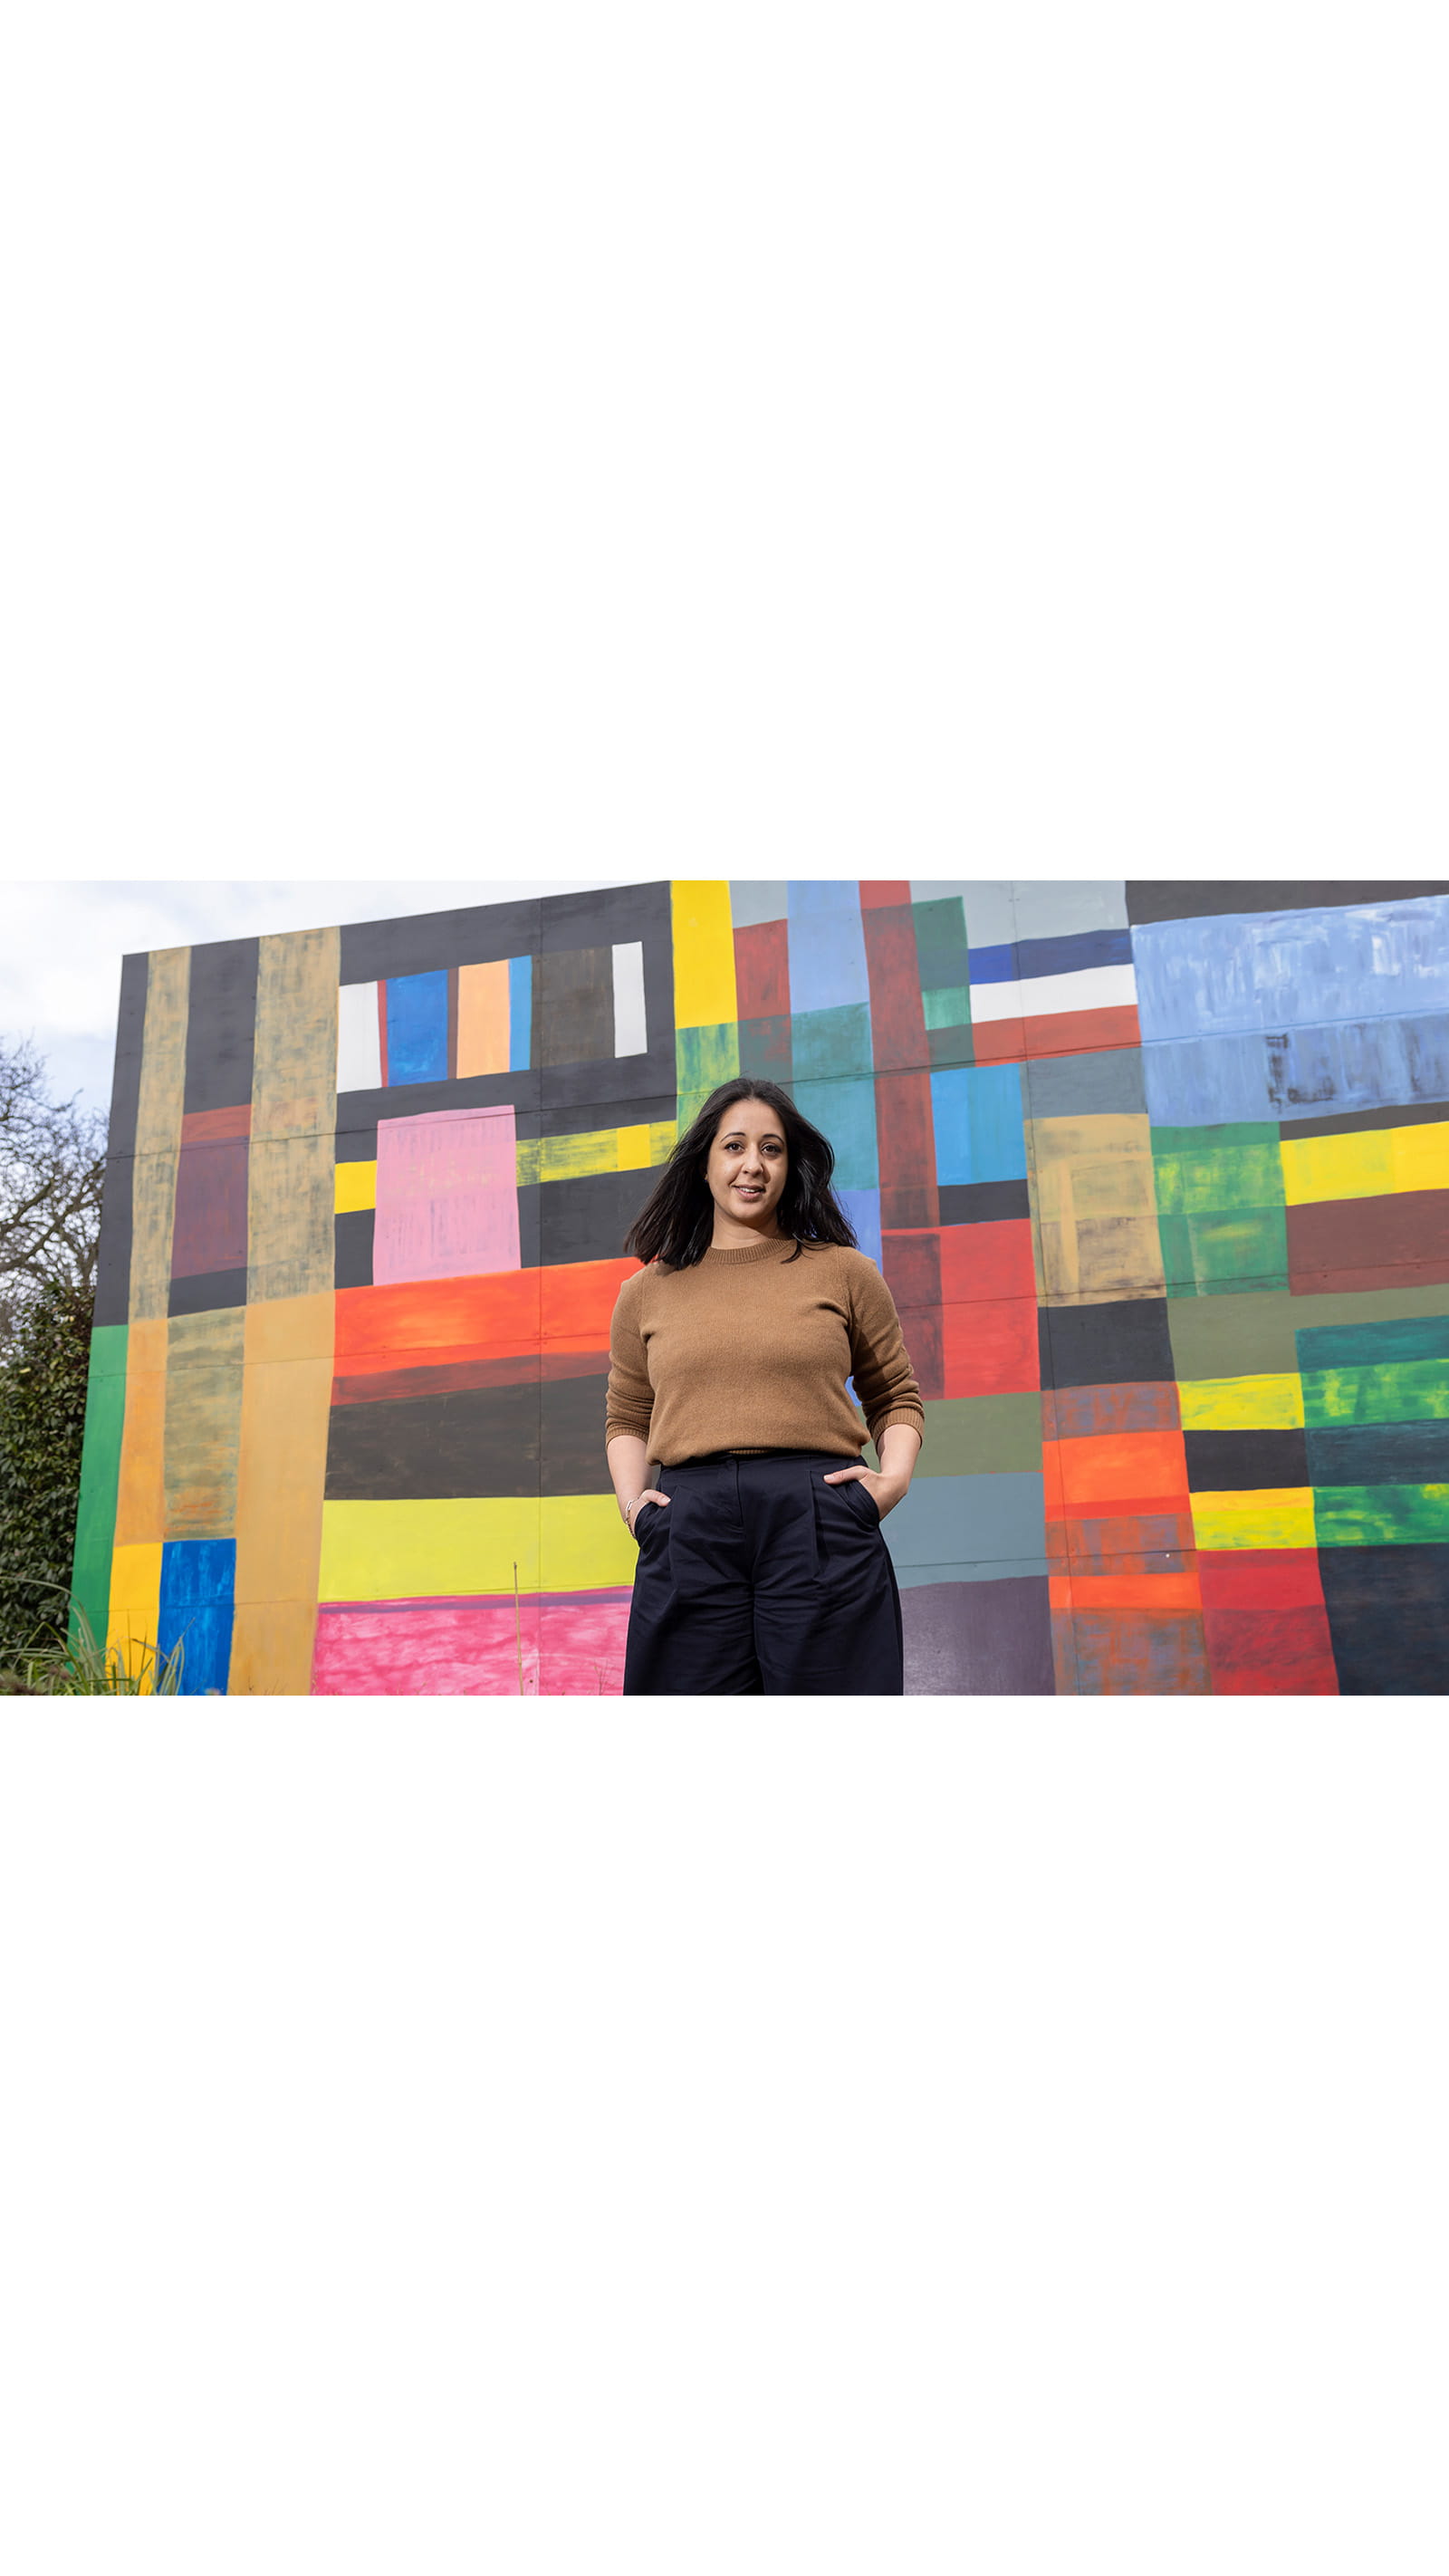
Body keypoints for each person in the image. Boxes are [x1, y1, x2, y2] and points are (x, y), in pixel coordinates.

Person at [605, 1076, 925, 1696]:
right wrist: (633, 1508)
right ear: (703, 1163)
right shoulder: (644, 1293)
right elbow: (627, 1416)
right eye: (734, 1146)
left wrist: (889, 1485)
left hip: (818, 1515)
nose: (753, 1164)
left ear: (789, 1164)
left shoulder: (845, 1272)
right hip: (689, 1524)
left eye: (772, 1149)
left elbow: (894, 1395)